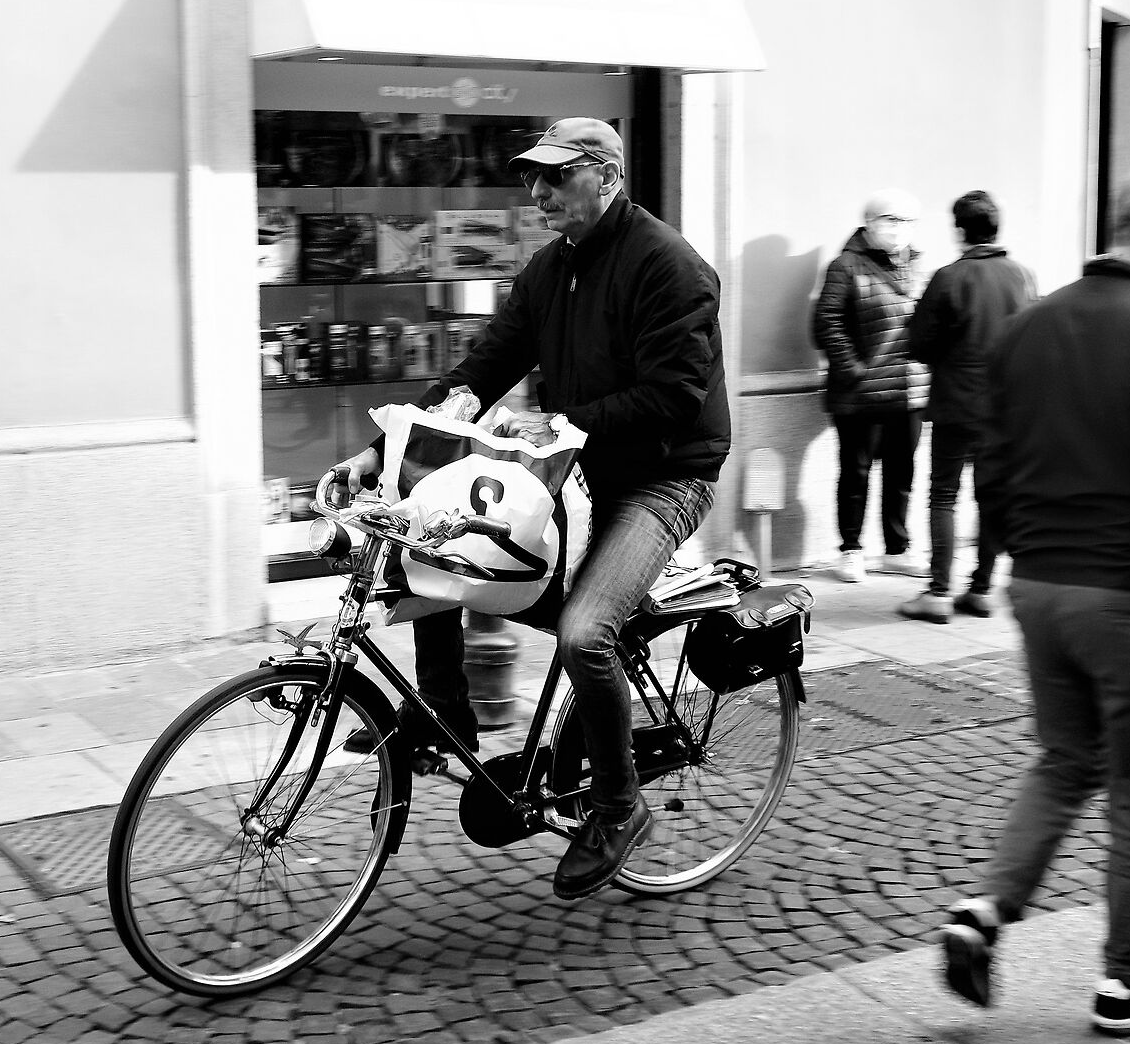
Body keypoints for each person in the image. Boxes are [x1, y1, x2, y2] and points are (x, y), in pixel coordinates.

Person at [326, 118, 729, 901]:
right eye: (530, 178)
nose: (536, 192)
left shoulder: (671, 267)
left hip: (661, 478)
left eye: (554, 177)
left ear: (606, 177)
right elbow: (481, 369)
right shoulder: (549, 271)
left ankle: (619, 809)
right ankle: (443, 714)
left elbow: (677, 395)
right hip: (574, 472)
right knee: (429, 535)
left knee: (586, 632)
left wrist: (565, 425)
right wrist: (379, 452)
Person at [937, 160, 1130, 1037]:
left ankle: (986, 910)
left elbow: (991, 470)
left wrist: (1014, 560)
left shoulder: (1028, 329)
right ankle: (1129, 982)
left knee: (1065, 760)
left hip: (1042, 590)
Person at [896, 190, 1036, 624]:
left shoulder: (949, 278)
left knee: (944, 494)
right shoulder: (1022, 276)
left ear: (960, 230)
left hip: (957, 402)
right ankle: (981, 588)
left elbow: (917, 343)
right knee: (992, 496)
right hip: (1006, 406)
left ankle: (939, 591)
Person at [813, 191, 930, 583]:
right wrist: (853, 371)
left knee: (902, 473)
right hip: (861, 392)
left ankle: (897, 548)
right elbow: (827, 322)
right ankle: (851, 548)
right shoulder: (845, 266)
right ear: (870, 223)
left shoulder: (918, 266)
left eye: (907, 221)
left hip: (909, 389)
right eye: (891, 220)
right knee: (856, 473)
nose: (900, 230)